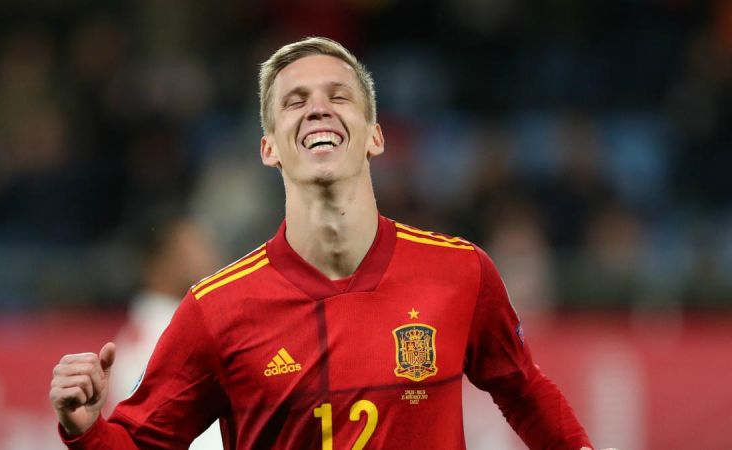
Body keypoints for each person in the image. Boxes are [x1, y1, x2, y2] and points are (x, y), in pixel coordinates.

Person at [50, 37, 598, 449]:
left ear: (375, 136)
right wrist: (85, 431)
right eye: (295, 101)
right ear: (269, 148)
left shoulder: (460, 272)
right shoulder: (215, 311)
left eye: (339, 96)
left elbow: (523, 390)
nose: (318, 108)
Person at [108, 214, 224, 449]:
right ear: (158, 265)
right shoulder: (155, 340)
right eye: (193, 250)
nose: (211, 257)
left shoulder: (170, 325)